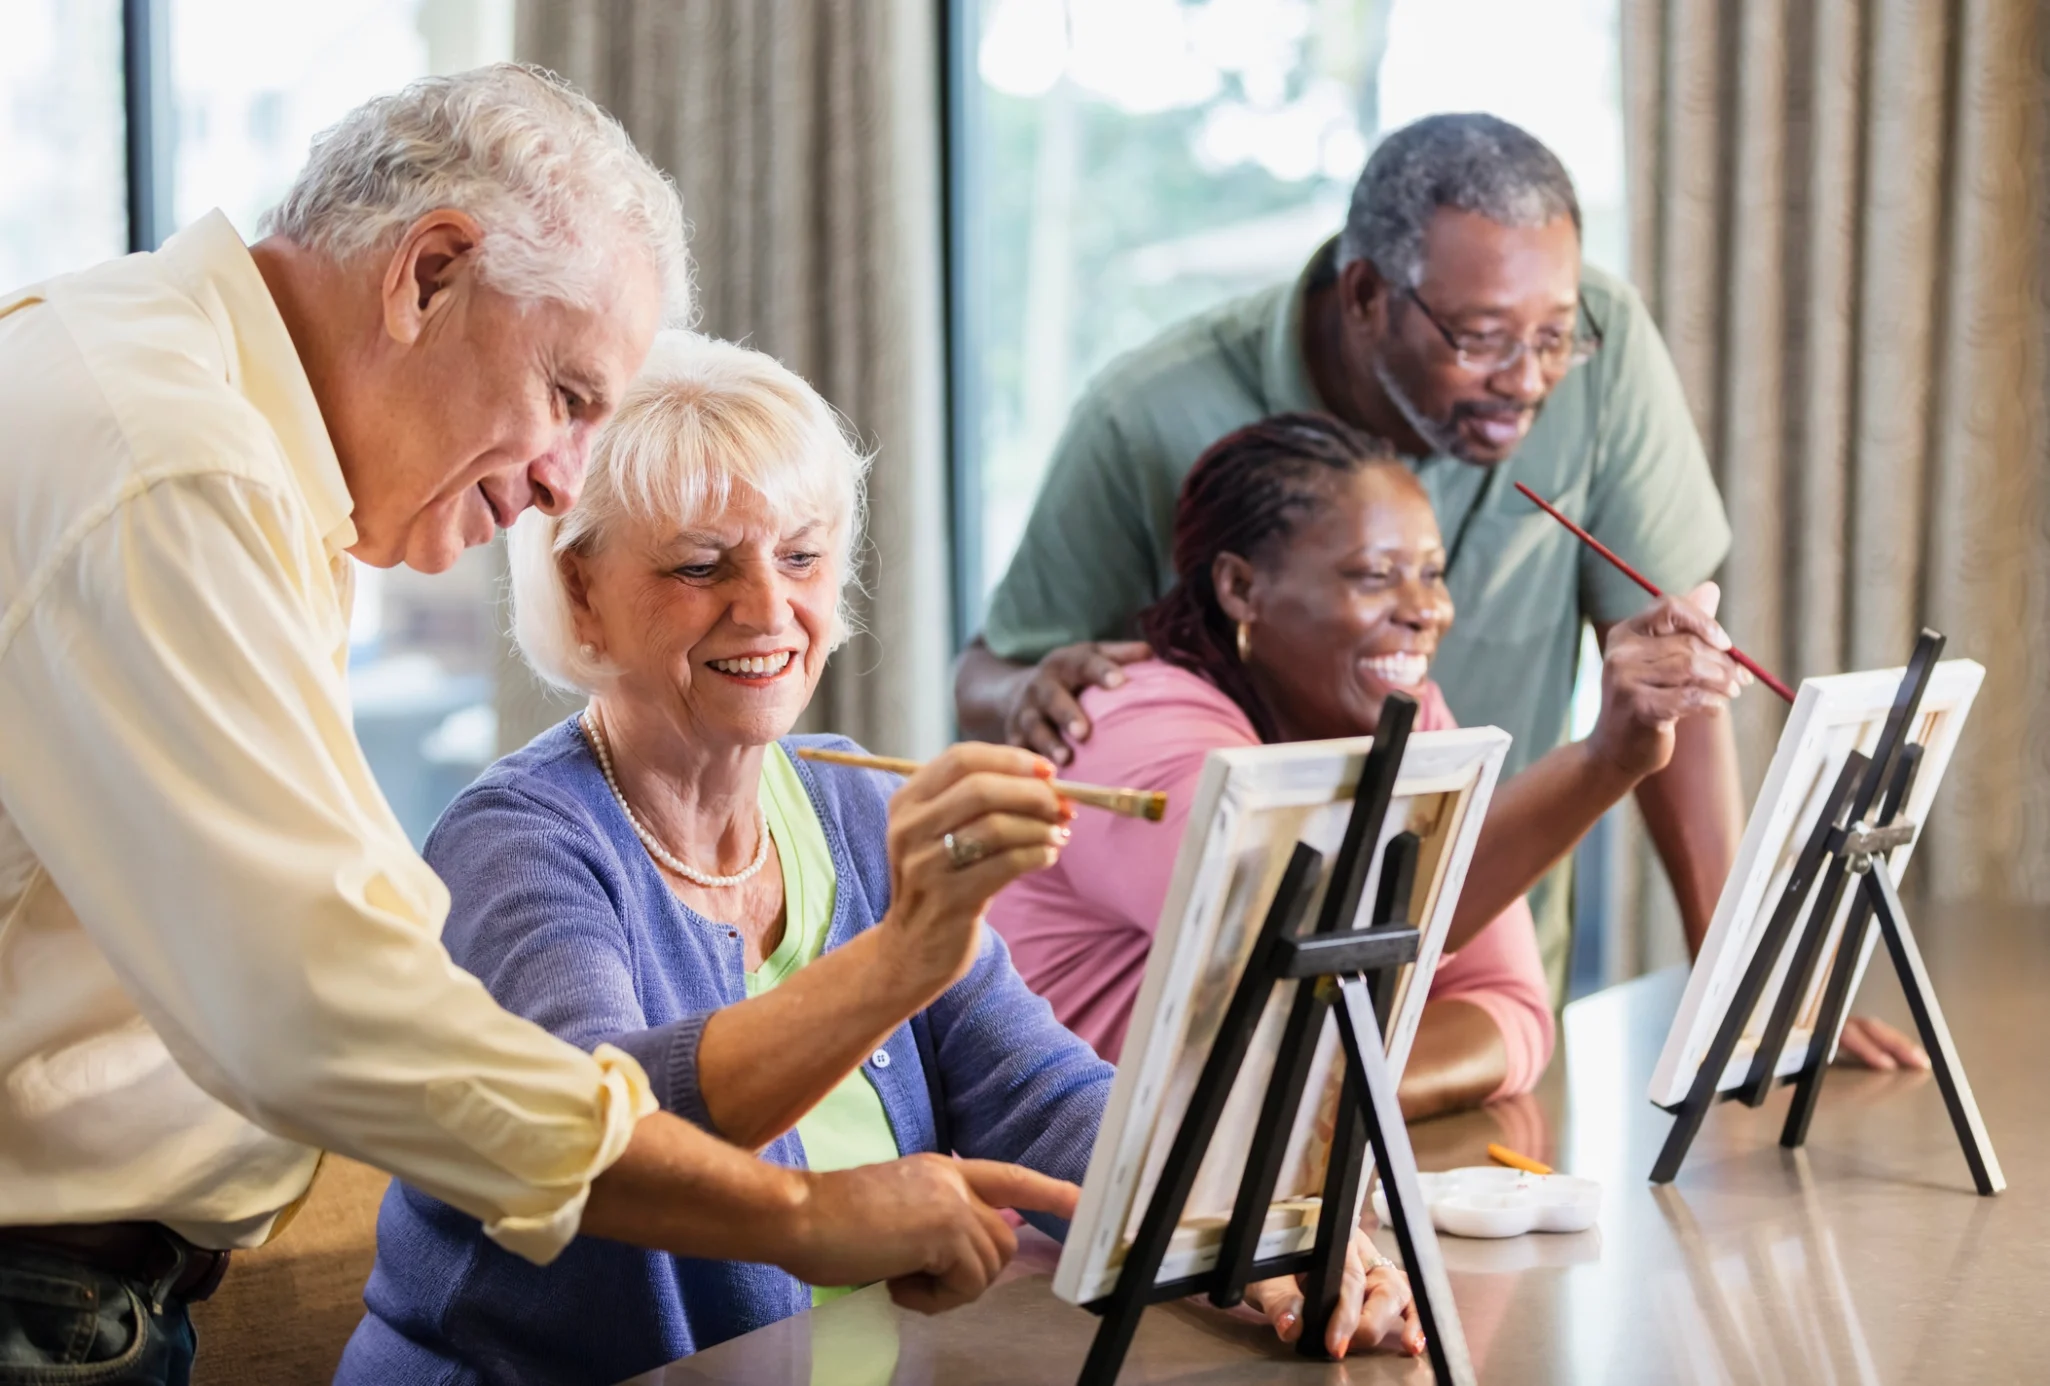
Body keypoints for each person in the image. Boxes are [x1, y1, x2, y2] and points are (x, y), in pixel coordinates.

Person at [0, 66, 1059, 1384]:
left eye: (801, 555)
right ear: (428, 273)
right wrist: (796, 1214)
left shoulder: (191, 412)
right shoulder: (174, 463)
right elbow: (327, 1010)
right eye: (566, 394)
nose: (561, 473)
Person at [339, 334, 1427, 1383]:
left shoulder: (850, 795)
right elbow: (605, 1152)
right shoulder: (518, 840)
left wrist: (1262, 1236)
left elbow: (1040, 1095)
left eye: (803, 556)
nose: (769, 610)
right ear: (580, 589)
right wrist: (904, 954)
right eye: (701, 565)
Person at [955, 113, 1927, 1071]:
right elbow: (998, 676)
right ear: (1367, 295)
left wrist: (1740, 971)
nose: (1530, 379)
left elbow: (1672, 670)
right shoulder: (1145, 415)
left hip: (1475, 925)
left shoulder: (1598, 341)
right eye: (1481, 338)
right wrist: (1033, 689)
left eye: (1553, 338)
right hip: (1193, 1002)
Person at [991, 414, 1752, 1118]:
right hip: (1038, 1230)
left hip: (1247, 1213)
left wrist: (1312, 1101)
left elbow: (1508, 1009)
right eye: (1374, 575)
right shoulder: (1129, 727)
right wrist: (1602, 761)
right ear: (1241, 587)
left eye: (1431, 572)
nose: (1424, 610)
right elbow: (1324, 931)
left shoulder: (1403, 713)